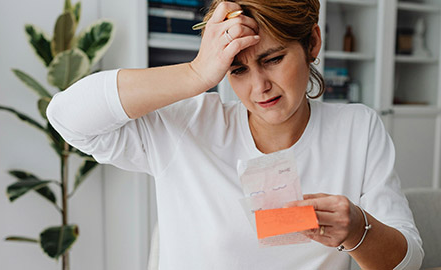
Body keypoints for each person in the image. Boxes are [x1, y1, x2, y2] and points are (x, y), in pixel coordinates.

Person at [47, 0, 424, 269]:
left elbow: (406, 262)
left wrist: (358, 229)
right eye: (237, 69)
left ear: (312, 43)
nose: (260, 87)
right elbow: (66, 116)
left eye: (273, 59)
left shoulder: (358, 129)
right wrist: (196, 74)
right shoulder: (188, 126)